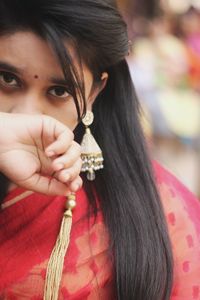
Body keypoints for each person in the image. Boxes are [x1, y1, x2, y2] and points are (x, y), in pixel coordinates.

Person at [0, 1, 200, 299]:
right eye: (7, 79)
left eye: (59, 91)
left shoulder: (163, 208)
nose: (26, 115)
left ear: (94, 93)